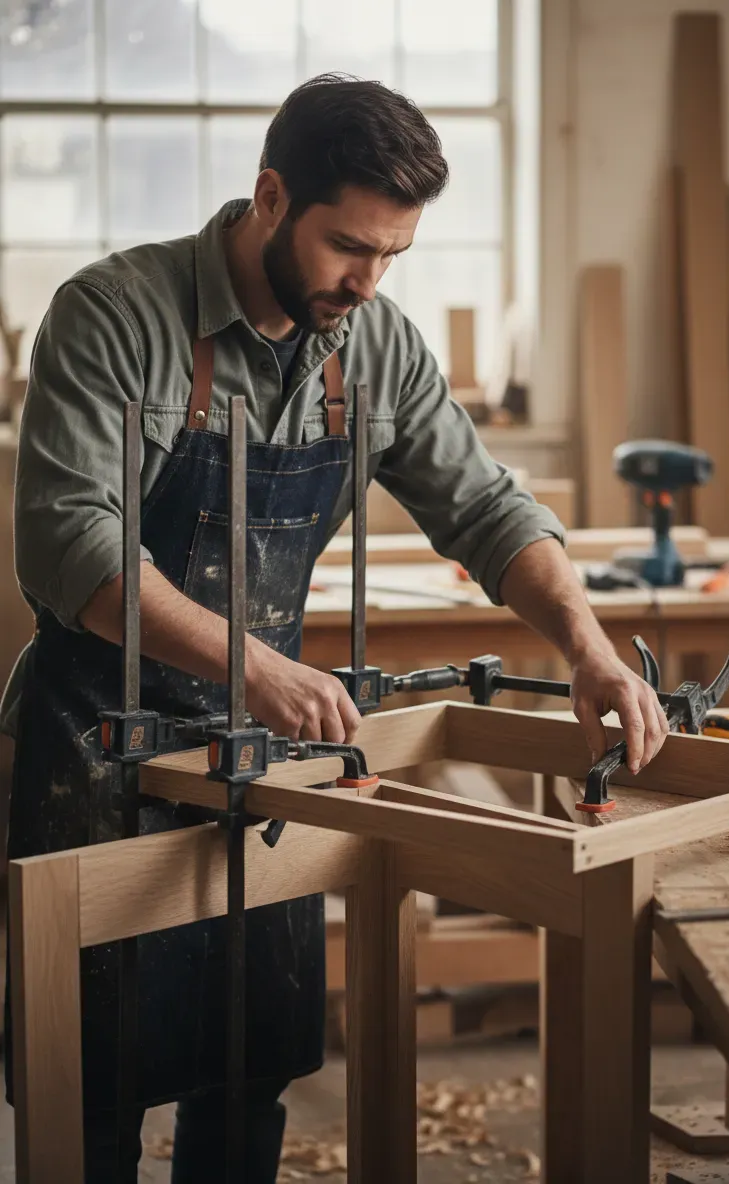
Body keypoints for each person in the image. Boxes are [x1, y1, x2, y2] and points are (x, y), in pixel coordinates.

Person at [2, 74, 667, 1182]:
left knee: (248, 1060)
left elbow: (488, 506)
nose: (368, 281)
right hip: (99, 745)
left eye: (393, 255)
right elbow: (70, 547)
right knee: (95, 1078)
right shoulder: (113, 315)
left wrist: (587, 645)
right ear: (270, 196)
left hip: (263, 754)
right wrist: (255, 664)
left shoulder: (378, 349)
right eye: (350, 247)